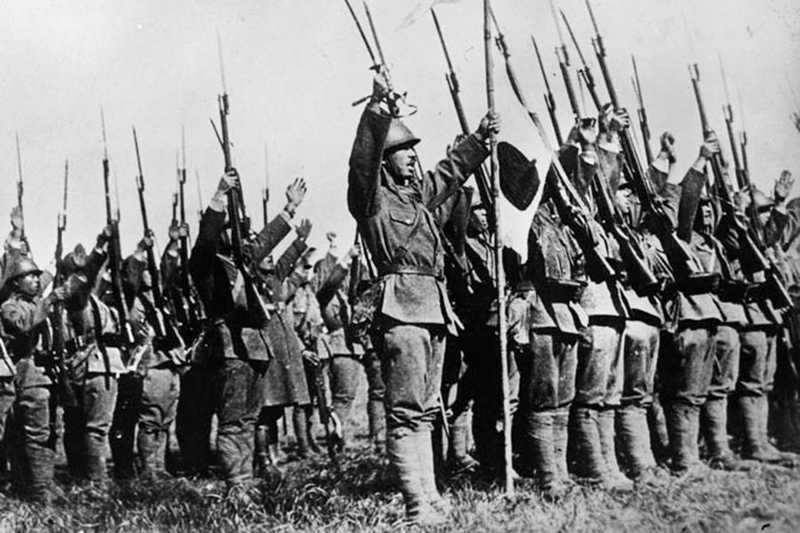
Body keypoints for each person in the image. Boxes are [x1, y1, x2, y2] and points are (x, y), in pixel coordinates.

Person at [347, 69, 498, 525]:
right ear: (386, 160)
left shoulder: (418, 199)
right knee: (407, 411)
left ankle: (430, 496)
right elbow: (362, 161)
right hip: (402, 308)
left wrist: (479, 140)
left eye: (415, 151)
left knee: (427, 409)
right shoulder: (371, 201)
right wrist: (378, 111)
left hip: (433, 309)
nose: (414, 159)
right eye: (404, 153)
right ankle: (416, 504)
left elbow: (449, 174)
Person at [189, 170, 306, 486]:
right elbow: (206, 239)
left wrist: (289, 210)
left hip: (253, 349)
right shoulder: (206, 263)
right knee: (234, 423)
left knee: (250, 420)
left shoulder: (241, 262)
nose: (240, 238)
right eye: (231, 231)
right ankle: (239, 485)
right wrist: (219, 196)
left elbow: (264, 241)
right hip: (229, 348)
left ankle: (247, 479)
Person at [60, 233, 125, 486]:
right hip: (95, 367)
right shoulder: (77, 295)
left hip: (91, 365)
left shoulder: (89, 299)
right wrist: (98, 250)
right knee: (96, 428)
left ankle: (81, 477)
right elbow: (88, 278)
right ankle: (96, 482)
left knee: (80, 427)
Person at [0, 253, 63, 502]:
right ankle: (38, 490)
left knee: (46, 431)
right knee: (35, 433)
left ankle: (42, 482)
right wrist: (48, 302)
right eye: (30, 276)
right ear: (15, 282)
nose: (37, 280)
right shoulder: (9, 307)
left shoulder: (33, 302)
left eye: (38, 276)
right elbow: (24, 324)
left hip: (44, 375)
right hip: (27, 376)